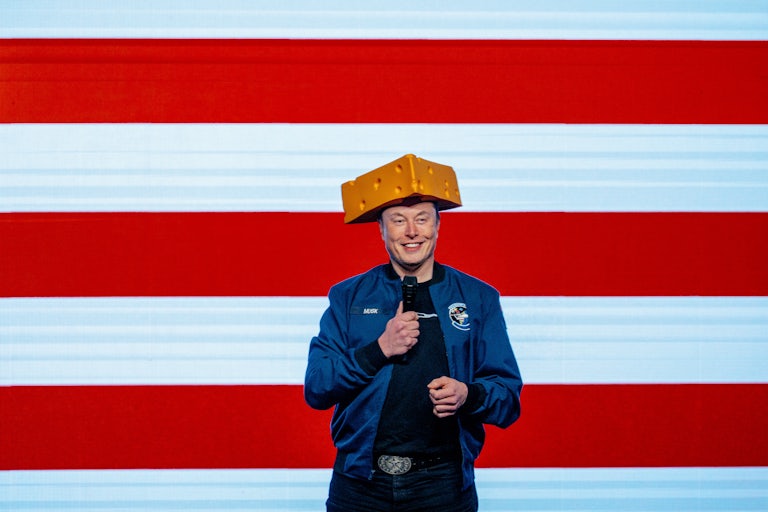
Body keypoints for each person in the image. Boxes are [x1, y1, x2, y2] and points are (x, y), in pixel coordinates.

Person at [304, 154, 522, 511]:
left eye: (422, 219)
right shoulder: (347, 297)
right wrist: (380, 348)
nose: (411, 232)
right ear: (381, 229)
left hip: (442, 486)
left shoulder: (479, 298)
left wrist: (468, 394)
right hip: (360, 486)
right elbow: (317, 387)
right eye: (398, 221)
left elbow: (508, 401)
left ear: (437, 226)